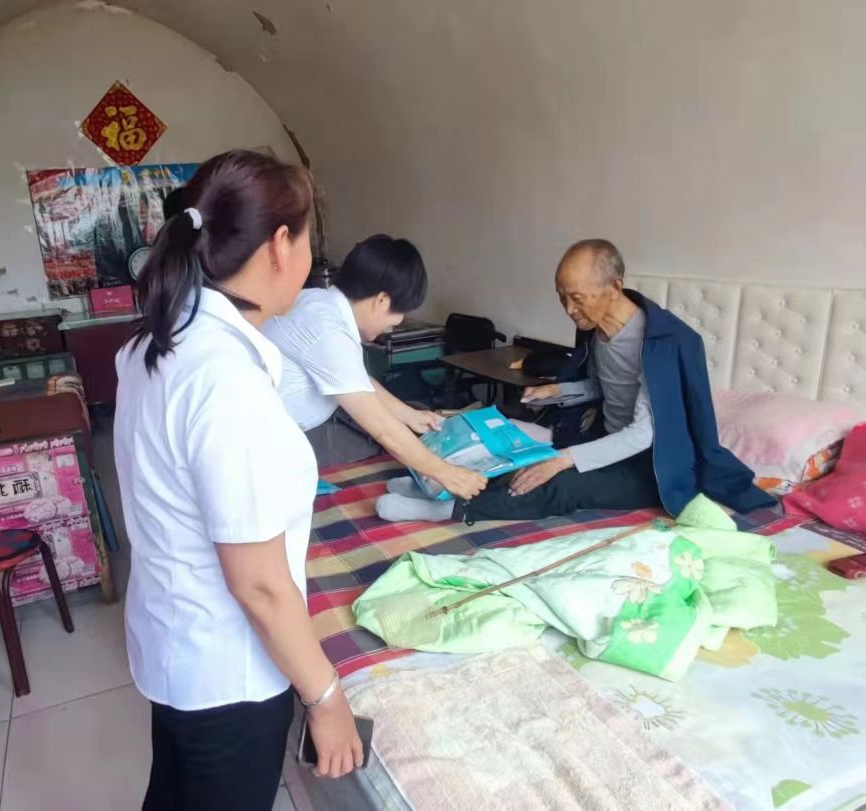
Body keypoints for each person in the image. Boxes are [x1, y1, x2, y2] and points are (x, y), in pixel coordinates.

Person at [114, 150, 363, 811]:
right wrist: (326, 698)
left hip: (174, 644)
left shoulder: (156, 343)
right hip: (226, 676)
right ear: (281, 245)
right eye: (308, 239)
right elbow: (257, 582)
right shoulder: (225, 380)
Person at [377, 238, 774, 523]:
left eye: (578, 298)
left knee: (563, 484)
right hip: (603, 440)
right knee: (518, 447)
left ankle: (449, 510)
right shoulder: (597, 328)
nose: (569, 309)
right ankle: (441, 486)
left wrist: (565, 459)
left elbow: (644, 434)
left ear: (614, 287)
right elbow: (604, 388)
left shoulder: (663, 343)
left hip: (652, 465)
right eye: (562, 297)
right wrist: (559, 390)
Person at [262, 235, 486, 500]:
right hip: (251, 441)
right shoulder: (328, 332)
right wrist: (448, 474)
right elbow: (383, 429)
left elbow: (359, 381)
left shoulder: (317, 303)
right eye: (399, 314)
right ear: (382, 300)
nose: (393, 325)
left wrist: (410, 415)